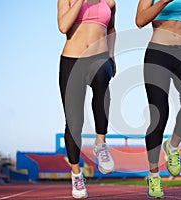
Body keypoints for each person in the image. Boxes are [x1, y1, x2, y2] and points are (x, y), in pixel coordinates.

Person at [136, 0, 181, 198]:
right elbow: (140, 20)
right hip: (158, 52)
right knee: (159, 114)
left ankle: (173, 145)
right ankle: (154, 175)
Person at [57, 0, 116, 198]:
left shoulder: (109, 2)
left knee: (102, 85)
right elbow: (63, 27)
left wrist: (112, 55)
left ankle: (100, 142)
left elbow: (112, 29)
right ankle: (76, 175)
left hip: (100, 57)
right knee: (74, 122)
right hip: (72, 61)